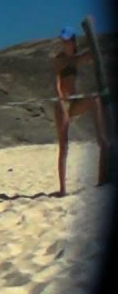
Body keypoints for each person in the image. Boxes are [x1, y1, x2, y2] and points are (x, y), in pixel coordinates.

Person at [52, 27, 109, 195]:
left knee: (95, 99)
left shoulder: (76, 59)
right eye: (62, 40)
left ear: (73, 41)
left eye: (67, 40)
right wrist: (62, 102)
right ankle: (63, 189)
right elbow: (56, 85)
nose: (64, 43)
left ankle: (102, 140)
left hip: (75, 101)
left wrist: (93, 41)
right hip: (62, 103)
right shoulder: (59, 60)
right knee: (64, 145)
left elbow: (92, 55)